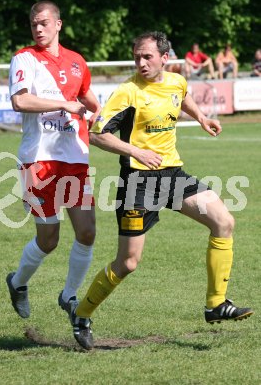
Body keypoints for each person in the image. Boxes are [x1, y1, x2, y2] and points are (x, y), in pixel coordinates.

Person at [67, 31, 253, 350]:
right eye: (137, 56)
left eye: (147, 56)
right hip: (137, 182)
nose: (141, 62)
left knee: (224, 222)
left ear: (165, 58)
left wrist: (202, 117)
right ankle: (82, 314)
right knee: (127, 263)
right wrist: (136, 152)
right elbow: (97, 135)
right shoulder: (127, 91)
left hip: (172, 175)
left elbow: (183, 97)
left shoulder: (176, 82)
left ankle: (215, 304)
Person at [5, 1, 101, 321]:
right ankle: (18, 283)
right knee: (49, 240)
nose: (38, 29)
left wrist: (97, 114)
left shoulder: (77, 62)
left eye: (44, 23)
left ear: (58, 24)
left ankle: (70, 297)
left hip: (73, 156)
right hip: (38, 160)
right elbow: (20, 101)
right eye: (34, 24)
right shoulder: (25, 58)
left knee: (87, 232)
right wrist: (65, 104)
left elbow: (89, 99)